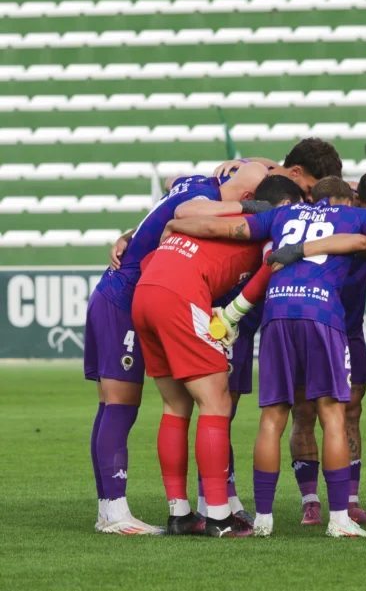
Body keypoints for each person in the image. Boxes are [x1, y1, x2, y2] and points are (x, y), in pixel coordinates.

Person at [168, 176, 366, 538]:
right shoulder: (355, 217)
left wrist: (174, 225)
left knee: (273, 416)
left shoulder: (284, 214)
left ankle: (264, 520)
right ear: (348, 200)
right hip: (321, 311)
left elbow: (225, 228)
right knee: (332, 414)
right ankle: (339, 518)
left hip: (277, 310)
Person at [84, 162, 268, 535]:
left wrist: (130, 234)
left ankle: (118, 507)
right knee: (120, 404)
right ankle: (114, 512)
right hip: (126, 296)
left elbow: (170, 197)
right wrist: (256, 210)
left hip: (123, 290)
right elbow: (183, 213)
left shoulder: (194, 184)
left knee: (119, 404)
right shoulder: (205, 199)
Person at [132, 176, 302, 537]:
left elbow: (158, 253)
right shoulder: (264, 228)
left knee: (175, 406)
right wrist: (229, 317)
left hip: (146, 293)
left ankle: (180, 514)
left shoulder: (206, 217)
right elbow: (267, 271)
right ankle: (220, 519)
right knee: (216, 403)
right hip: (178, 294)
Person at [288, 171, 366, 527]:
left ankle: (350, 501)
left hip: (348, 330)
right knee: (304, 412)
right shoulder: (336, 215)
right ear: (357, 201)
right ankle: (310, 502)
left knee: (351, 412)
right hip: (311, 322)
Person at [212, 137, 344, 195]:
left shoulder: (273, 174)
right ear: (295, 172)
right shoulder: (251, 185)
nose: (311, 199)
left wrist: (246, 161)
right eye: (309, 189)